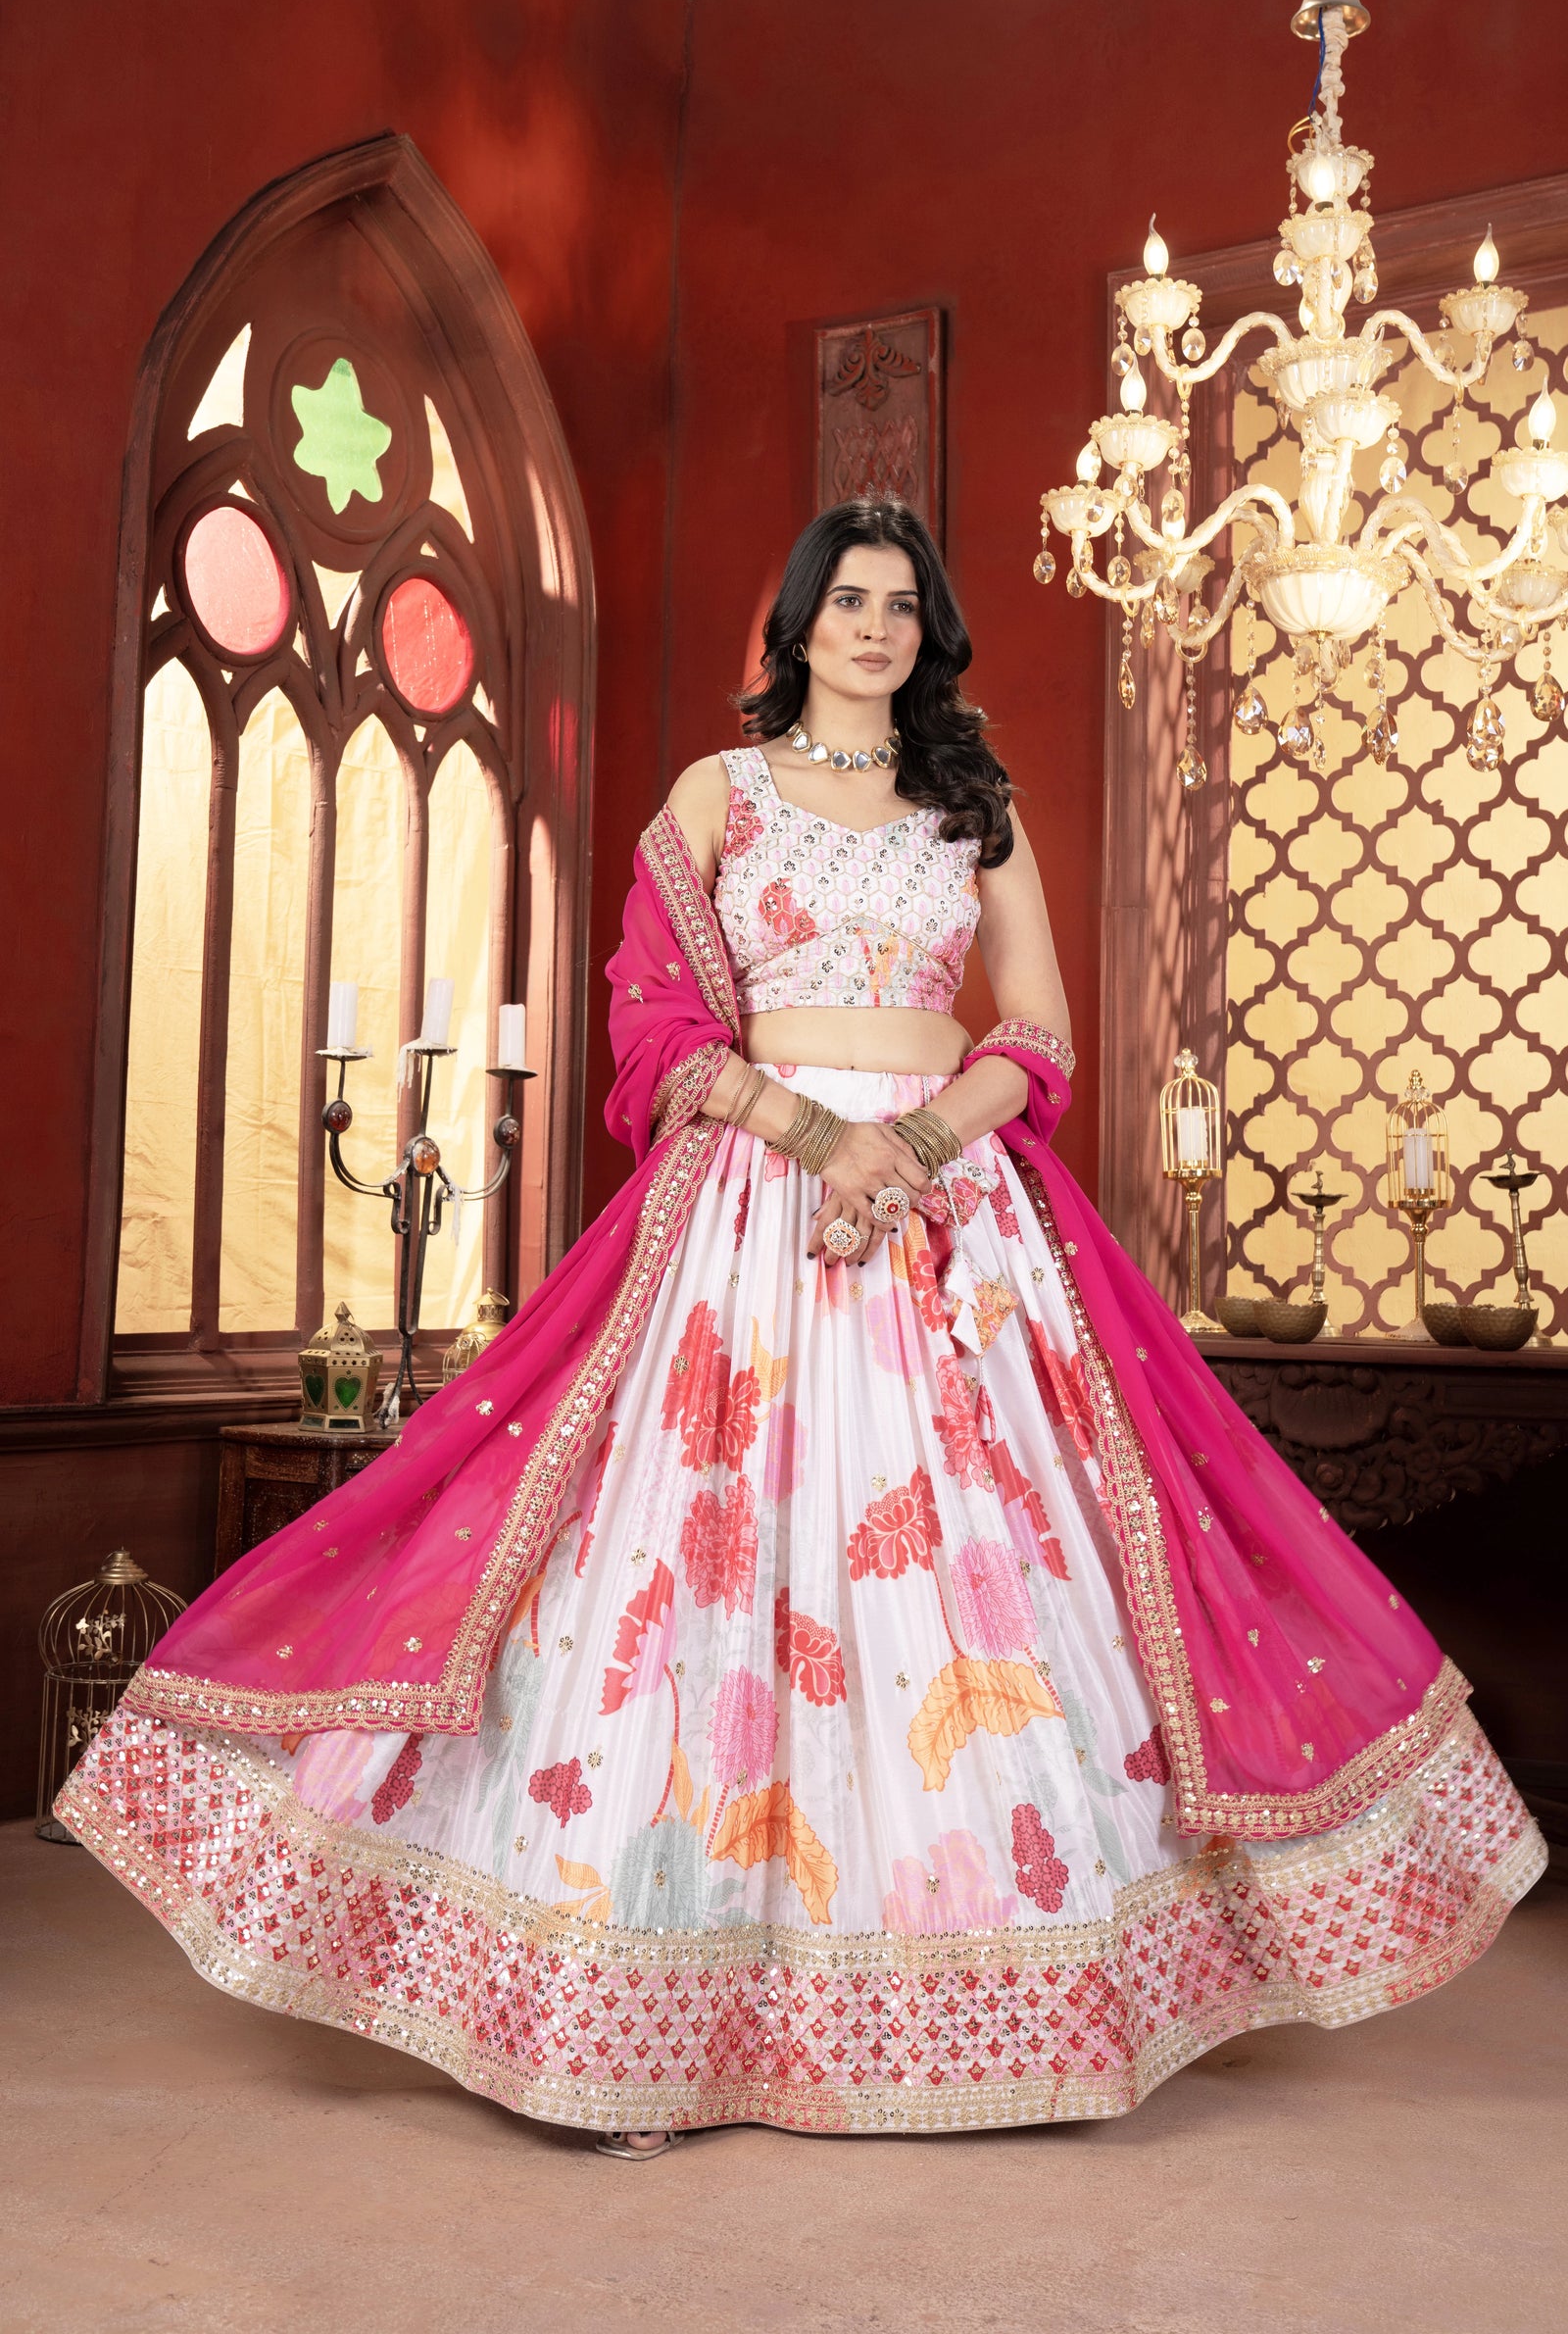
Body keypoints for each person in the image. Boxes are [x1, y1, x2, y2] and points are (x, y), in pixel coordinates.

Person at [60, 499, 1543, 2157]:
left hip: (951, 1211)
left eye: (903, 605)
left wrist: (913, 1147)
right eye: (850, 600)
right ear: (799, 623)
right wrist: (817, 1136)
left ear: (930, 634)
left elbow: (1039, 1033)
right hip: (755, 1204)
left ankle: (1016, 1992)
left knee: (998, 1566)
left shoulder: (974, 805)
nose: (876, 627)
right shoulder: (720, 791)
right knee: (691, 1562)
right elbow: (654, 1024)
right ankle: (636, 2020)